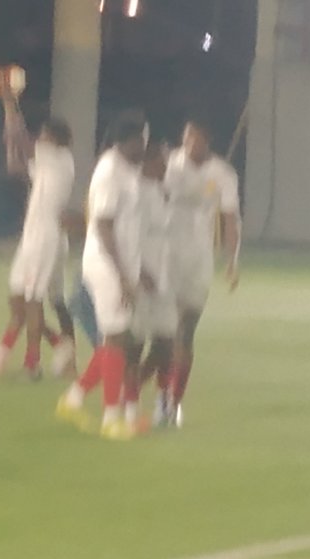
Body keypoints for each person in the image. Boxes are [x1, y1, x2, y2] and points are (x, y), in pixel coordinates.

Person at [55, 112, 148, 441]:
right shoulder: (110, 172)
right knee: (116, 337)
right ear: (131, 140)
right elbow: (104, 227)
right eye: (143, 139)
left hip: (117, 264)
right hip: (107, 264)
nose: (145, 146)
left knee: (117, 339)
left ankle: (74, 399)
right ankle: (111, 418)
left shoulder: (125, 170)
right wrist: (123, 276)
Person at [0, 80, 78, 380]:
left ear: (55, 140)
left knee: (35, 301)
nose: (41, 139)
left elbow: (21, 139)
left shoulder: (59, 158)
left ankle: (32, 364)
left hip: (46, 238)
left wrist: (9, 103)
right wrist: (12, 141)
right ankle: (59, 345)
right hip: (33, 237)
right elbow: (16, 165)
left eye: (45, 135)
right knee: (19, 301)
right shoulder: (50, 161)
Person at [162, 120, 241, 427]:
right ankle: (157, 395)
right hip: (166, 252)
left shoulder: (223, 174)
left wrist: (232, 259)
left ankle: (174, 401)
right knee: (163, 332)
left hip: (198, 257)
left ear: (206, 140)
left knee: (186, 330)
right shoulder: (170, 165)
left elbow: (230, 218)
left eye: (194, 138)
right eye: (185, 138)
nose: (187, 144)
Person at [131, 139, 179, 431]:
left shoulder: (162, 192)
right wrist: (137, 271)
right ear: (149, 163)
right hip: (142, 279)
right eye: (163, 161)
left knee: (166, 342)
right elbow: (129, 238)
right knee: (134, 344)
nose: (168, 166)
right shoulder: (136, 194)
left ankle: (160, 400)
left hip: (164, 279)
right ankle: (129, 404)